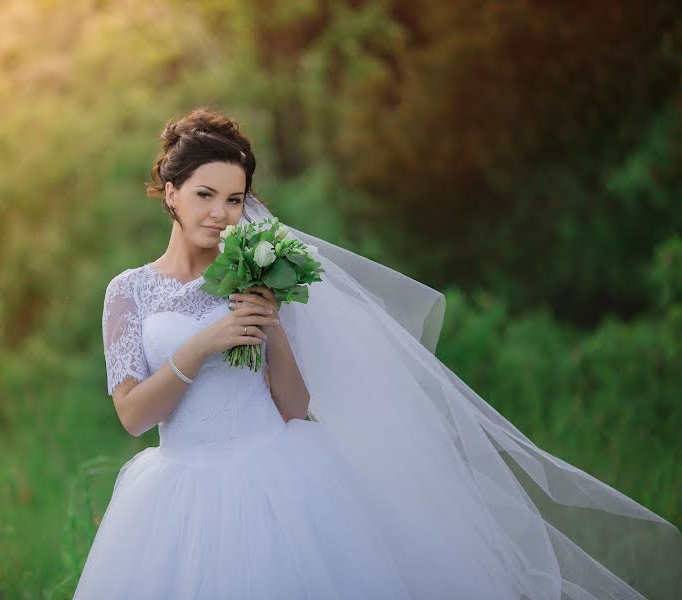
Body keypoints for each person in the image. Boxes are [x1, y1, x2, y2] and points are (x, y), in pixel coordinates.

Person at [73, 107, 681, 599]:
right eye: (206, 195)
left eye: (234, 199)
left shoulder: (251, 273)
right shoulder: (128, 292)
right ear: (170, 192)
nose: (221, 213)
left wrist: (273, 325)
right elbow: (133, 417)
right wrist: (205, 343)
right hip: (178, 497)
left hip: (280, 477)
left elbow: (294, 406)